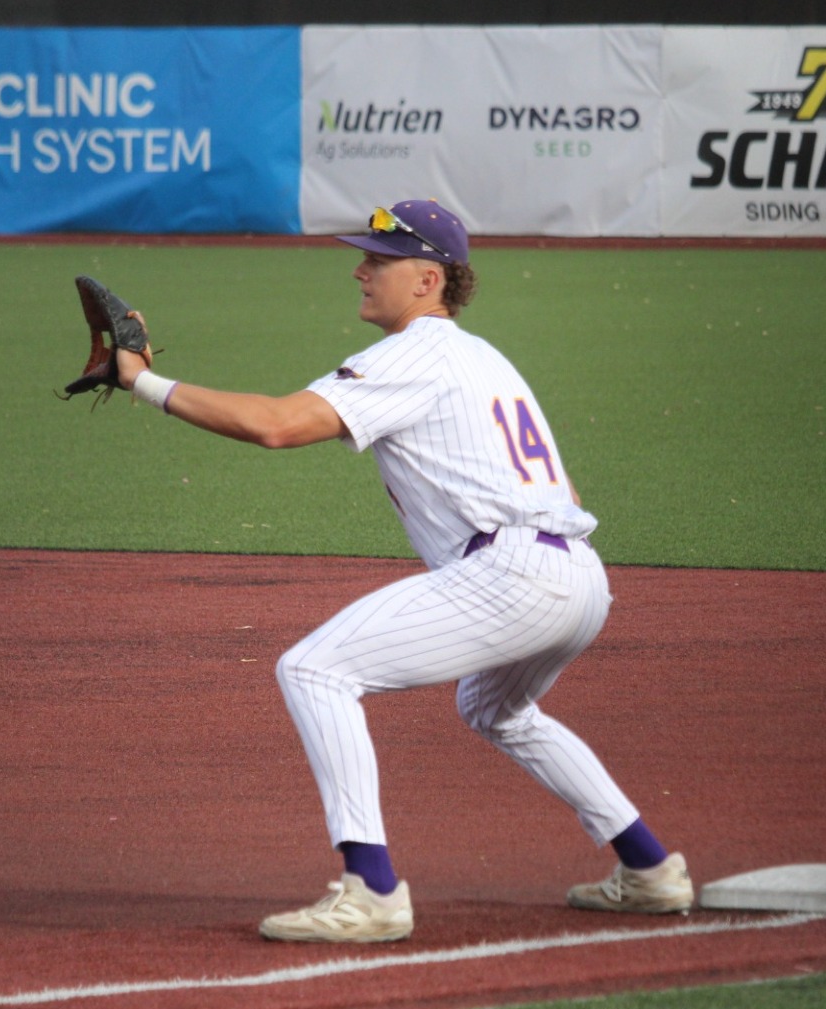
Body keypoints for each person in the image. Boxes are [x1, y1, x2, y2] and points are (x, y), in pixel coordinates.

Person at [111, 200, 691, 942]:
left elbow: (277, 426)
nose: (359, 268)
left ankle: (372, 890)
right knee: (496, 709)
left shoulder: (413, 353)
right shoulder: (486, 358)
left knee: (315, 670)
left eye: (377, 260)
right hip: (578, 576)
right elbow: (567, 491)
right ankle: (648, 869)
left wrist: (142, 384)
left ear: (427, 279)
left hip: (513, 572)